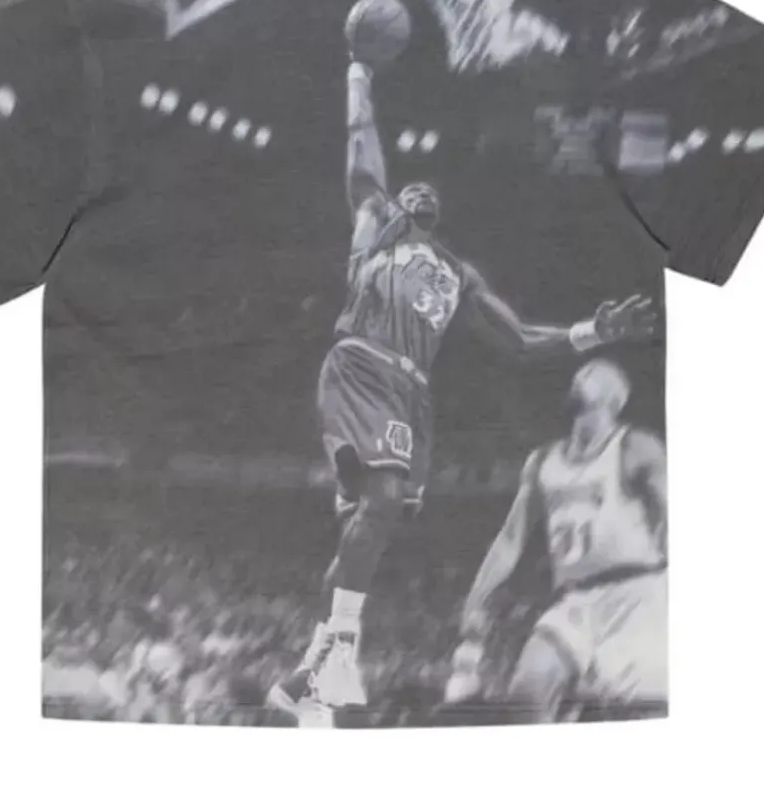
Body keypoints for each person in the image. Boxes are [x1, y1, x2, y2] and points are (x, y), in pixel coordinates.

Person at [266, 54, 656, 720]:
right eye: (408, 188)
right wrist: (359, 78)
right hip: (363, 364)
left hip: (411, 393)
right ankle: (336, 654)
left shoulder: (458, 271)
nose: (420, 192)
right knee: (381, 501)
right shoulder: (377, 223)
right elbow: (362, 156)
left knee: (369, 529)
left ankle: (316, 669)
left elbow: (519, 338)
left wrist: (595, 329)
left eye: (430, 193)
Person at [445, 359, 667, 721]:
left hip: (638, 595)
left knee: (642, 712)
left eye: (596, 372)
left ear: (616, 398)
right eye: (582, 372)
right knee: (527, 692)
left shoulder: (636, 447)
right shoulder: (542, 461)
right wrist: (476, 597)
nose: (585, 374)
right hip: (575, 598)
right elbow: (510, 539)